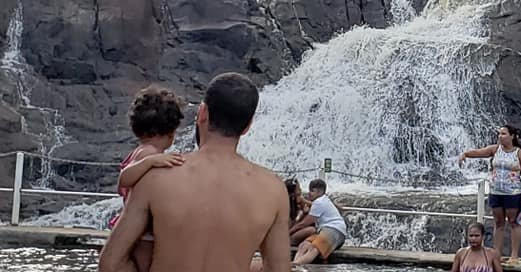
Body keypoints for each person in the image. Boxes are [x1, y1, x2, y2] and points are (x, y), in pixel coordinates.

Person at [98, 73, 291, 272]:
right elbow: (279, 269)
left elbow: (110, 264)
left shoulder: (156, 175)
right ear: (247, 126)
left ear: (202, 113)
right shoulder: (274, 191)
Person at [108, 86, 185, 272]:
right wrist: (151, 161)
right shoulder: (148, 154)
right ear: (170, 133)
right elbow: (124, 179)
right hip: (142, 230)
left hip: (139, 226)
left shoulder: (141, 151)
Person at [458, 126, 521, 264]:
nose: (500, 136)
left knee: (514, 222)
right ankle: (496, 254)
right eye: (499, 134)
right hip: (495, 192)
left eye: (504, 134)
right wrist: (466, 154)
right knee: (498, 223)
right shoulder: (495, 149)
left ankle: (514, 255)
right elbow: (480, 152)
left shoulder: (519, 153)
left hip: (513, 193)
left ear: (512, 136)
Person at [290, 179, 348, 264]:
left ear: (319, 192)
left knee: (314, 247)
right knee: (303, 245)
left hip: (335, 230)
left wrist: (289, 232)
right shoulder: (322, 200)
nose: (309, 193)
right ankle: (296, 263)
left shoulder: (319, 202)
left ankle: (294, 266)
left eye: (312, 191)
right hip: (324, 230)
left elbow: (304, 223)